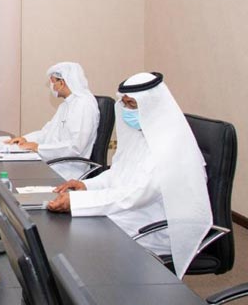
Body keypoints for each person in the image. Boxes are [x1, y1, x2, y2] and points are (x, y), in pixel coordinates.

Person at [47, 72, 212, 278]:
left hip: (157, 226)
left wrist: (79, 201)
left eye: (132, 104)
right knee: (73, 225)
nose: (126, 110)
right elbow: (118, 173)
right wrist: (87, 186)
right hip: (135, 211)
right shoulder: (140, 135)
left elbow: (135, 194)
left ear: (151, 105)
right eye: (124, 104)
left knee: (80, 233)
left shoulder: (170, 145)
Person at [8, 62, 99, 179]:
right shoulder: (66, 105)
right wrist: (26, 139)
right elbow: (47, 132)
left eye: (53, 82)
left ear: (62, 83)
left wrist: (37, 148)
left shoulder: (84, 104)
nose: (52, 86)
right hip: (53, 163)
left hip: (67, 170)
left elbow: (76, 147)